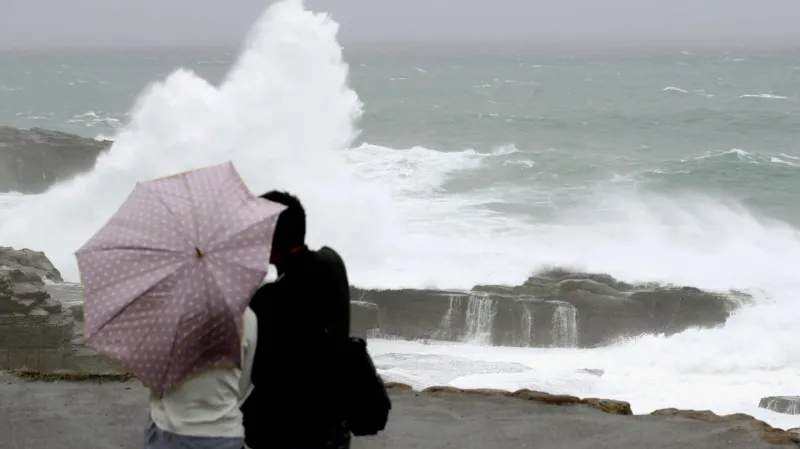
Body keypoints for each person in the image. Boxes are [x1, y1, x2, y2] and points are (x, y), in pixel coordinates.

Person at [242, 190, 351, 449]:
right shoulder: (332, 262)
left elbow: (256, 373)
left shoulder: (267, 301)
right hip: (333, 423)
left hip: (285, 432)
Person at [144, 307, 258, 449]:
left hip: (169, 428)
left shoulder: (168, 313)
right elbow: (243, 383)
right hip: (223, 432)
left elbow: (152, 374)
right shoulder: (247, 317)